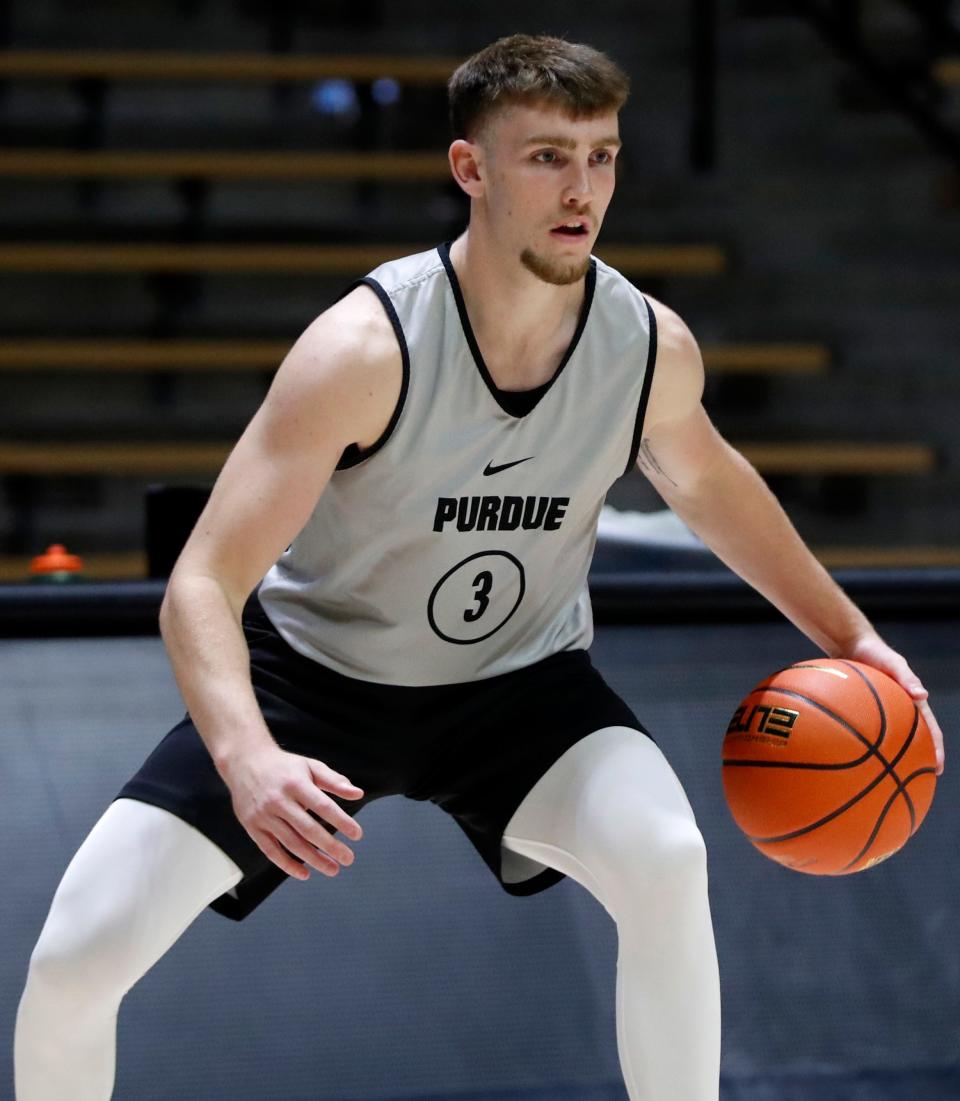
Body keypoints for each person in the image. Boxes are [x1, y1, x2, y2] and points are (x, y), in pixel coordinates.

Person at [15, 33, 944, 1101]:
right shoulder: (364, 350)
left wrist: (854, 640)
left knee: (666, 859)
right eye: (548, 156)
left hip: (521, 693)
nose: (582, 188)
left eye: (602, 157)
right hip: (312, 684)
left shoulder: (646, 344)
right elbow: (200, 586)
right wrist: (247, 758)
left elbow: (711, 486)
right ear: (472, 170)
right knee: (73, 961)